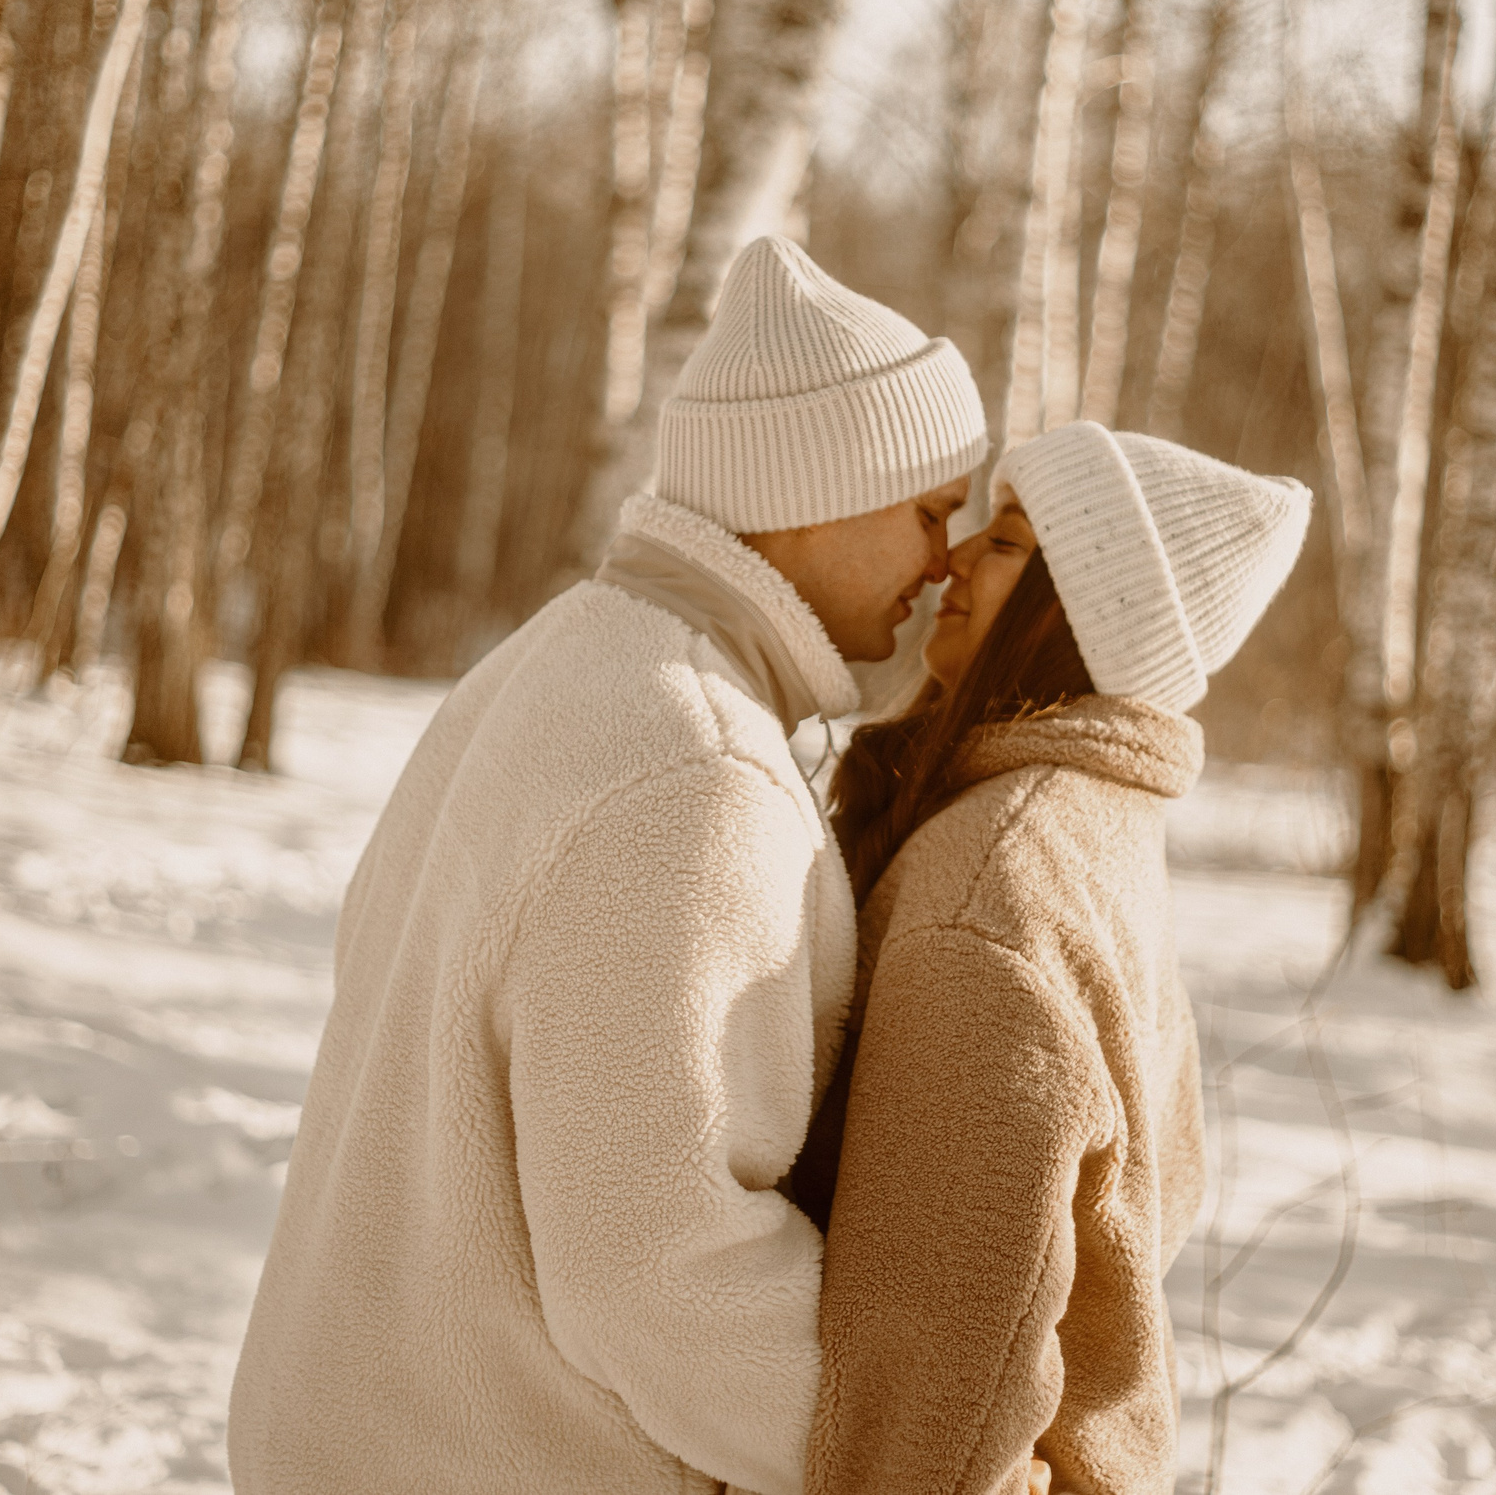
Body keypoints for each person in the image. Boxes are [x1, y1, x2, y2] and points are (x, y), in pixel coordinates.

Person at [227, 236, 989, 1494]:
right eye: (928, 508)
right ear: (815, 489)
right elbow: (661, 1270)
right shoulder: (692, 768)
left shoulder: (558, 660)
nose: (946, 558)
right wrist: (921, 1461)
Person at [805, 419, 1311, 1495]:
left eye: (1004, 541)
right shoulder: (1093, 824)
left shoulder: (991, 892)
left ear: (1082, 611)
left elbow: (936, 1371)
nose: (950, 557)